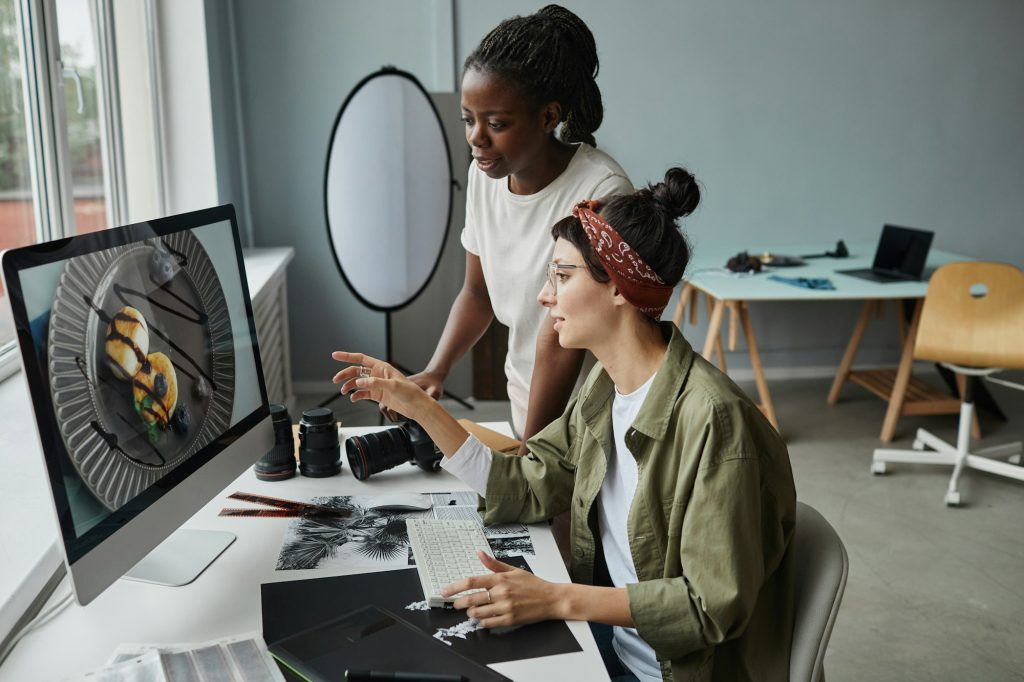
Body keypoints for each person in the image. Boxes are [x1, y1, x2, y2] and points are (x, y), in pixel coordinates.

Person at [332, 168, 797, 682]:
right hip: (614, 644)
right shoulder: (605, 388)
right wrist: (420, 406)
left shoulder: (715, 423)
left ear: (619, 288)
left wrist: (556, 598)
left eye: (562, 275)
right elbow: (528, 482)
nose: (544, 296)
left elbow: (709, 607)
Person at [403, 4, 634, 444]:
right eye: (469, 120)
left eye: (496, 123)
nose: (476, 138)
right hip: (527, 401)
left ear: (548, 117)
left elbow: (559, 337)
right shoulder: (484, 176)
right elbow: (478, 291)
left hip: (589, 416)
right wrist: (437, 370)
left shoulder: (600, 191)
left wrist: (532, 454)